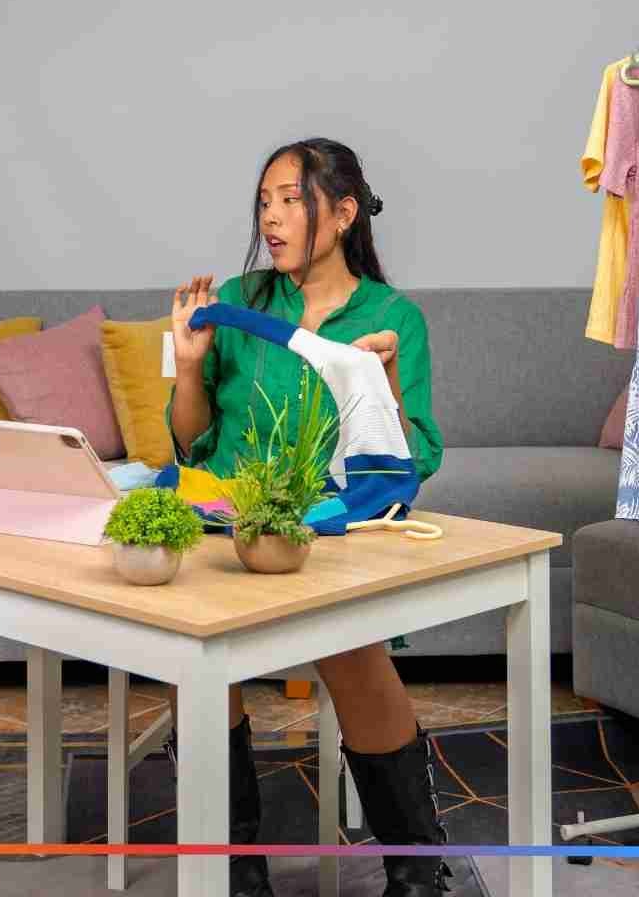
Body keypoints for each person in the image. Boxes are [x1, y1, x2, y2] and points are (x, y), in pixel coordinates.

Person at [167, 138, 450, 897]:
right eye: (265, 202)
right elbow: (191, 440)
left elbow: (413, 455)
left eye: (291, 199)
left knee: (355, 652)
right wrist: (188, 366)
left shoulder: (391, 317)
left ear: (344, 211)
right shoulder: (239, 298)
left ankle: (419, 875)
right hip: (222, 524)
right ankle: (234, 871)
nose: (273, 218)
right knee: (187, 644)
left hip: (323, 530)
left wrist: (383, 379)